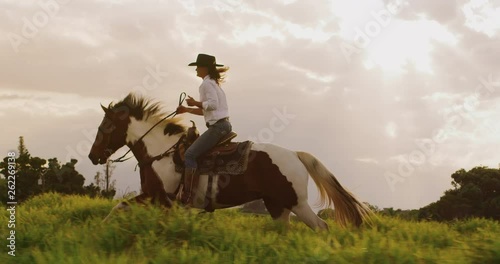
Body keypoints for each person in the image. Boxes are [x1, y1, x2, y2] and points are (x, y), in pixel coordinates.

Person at [176, 53, 232, 206]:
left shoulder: (206, 85)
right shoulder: (214, 84)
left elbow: (211, 105)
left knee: (190, 154)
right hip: (223, 124)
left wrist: (195, 102)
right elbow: (206, 110)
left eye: (197, 67)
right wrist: (187, 110)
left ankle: (188, 197)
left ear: (204, 68)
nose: (195, 71)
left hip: (217, 127)